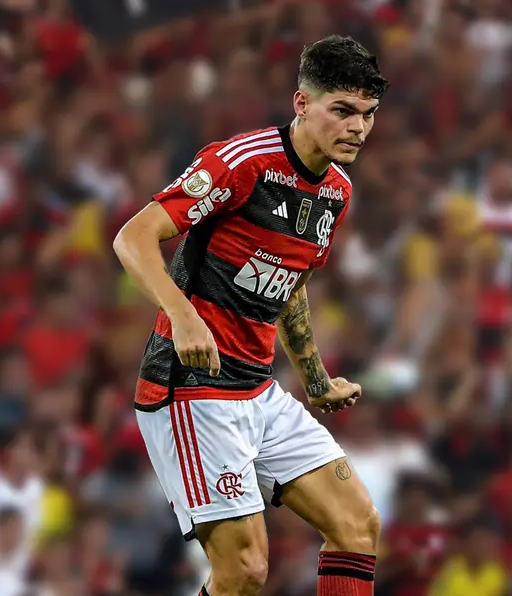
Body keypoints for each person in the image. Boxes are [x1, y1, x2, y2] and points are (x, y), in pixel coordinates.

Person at [112, 35, 388, 596]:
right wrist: (183, 315)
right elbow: (134, 237)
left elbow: (289, 287)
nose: (357, 128)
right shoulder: (240, 163)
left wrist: (315, 380)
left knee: (357, 526)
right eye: (342, 111)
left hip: (257, 391)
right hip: (192, 390)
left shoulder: (335, 191)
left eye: (367, 115)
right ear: (302, 104)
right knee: (244, 571)